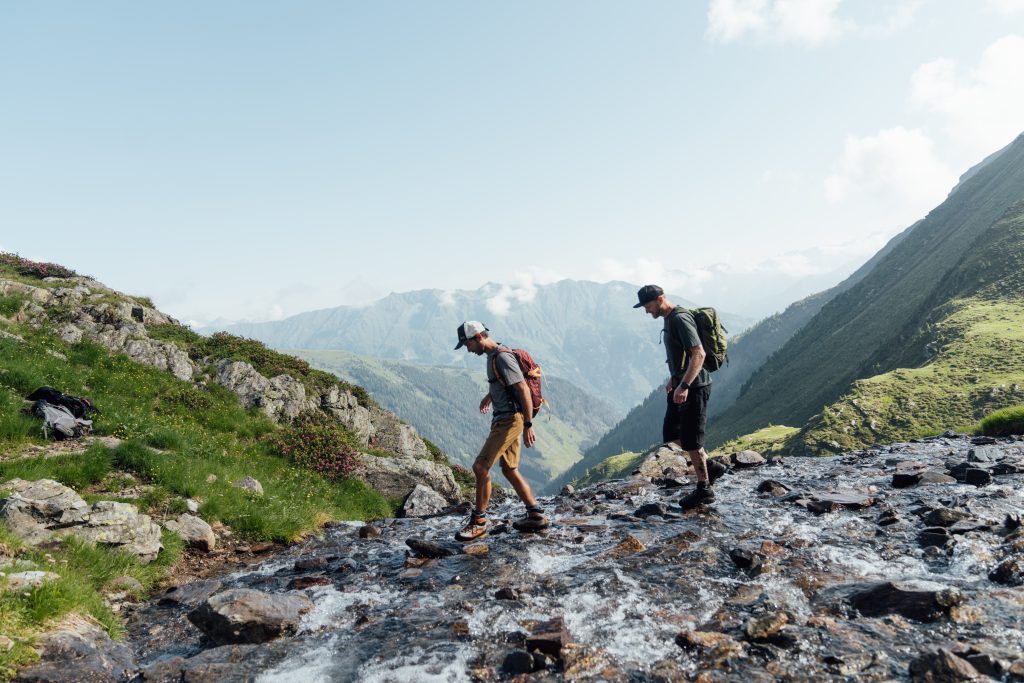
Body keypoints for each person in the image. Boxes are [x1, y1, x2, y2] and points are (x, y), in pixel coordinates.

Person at [453, 320, 549, 541]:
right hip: (506, 418)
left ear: (478, 337)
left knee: (480, 467)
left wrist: (527, 424)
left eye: (467, 344)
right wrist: (490, 396)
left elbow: (522, 389)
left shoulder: (502, 357)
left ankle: (478, 521)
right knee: (509, 469)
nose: (467, 349)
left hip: (509, 421)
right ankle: (536, 515)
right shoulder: (493, 356)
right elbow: (504, 382)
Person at [634, 285, 726, 509]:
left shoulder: (680, 319)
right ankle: (710, 466)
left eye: (648, 306)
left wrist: (684, 385)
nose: (647, 311)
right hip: (680, 383)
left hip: (695, 387)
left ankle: (704, 489)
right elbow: (682, 355)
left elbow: (699, 353)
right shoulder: (668, 318)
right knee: (672, 433)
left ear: (660, 299)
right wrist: (674, 379)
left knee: (692, 438)